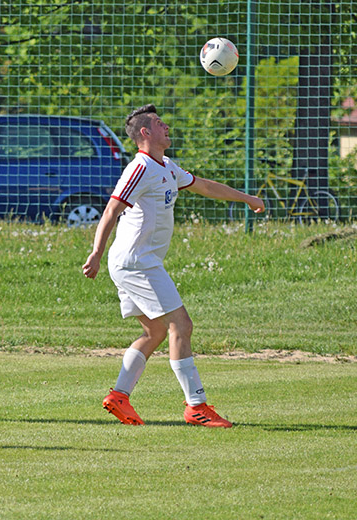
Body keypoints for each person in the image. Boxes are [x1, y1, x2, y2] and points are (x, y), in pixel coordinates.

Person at [82, 104, 264, 428]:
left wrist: (246, 198)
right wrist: (95, 252)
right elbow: (111, 210)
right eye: (158, 123)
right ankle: (196, 406)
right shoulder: (139, 168)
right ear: (144, 132)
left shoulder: (165, 166)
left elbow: (205, 186)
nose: (166, 126)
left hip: (135, 262)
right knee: (182, 324)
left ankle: (119, 396)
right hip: (137, 263)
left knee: (154, 331)